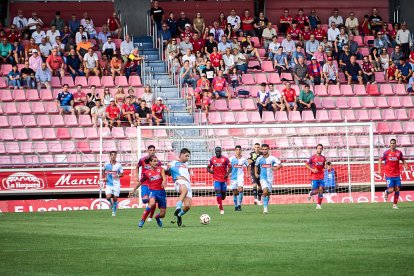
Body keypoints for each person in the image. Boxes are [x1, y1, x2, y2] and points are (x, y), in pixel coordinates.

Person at [129, 145, 162, 222]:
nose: (152, 151)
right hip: (144, 182)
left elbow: (160, 172)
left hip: (153, 184)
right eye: (150, 150)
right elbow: (137, 166)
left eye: (153, 150)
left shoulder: (158, 162)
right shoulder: (142, 160)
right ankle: (150, 212)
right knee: (145, 200)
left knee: (152, 202)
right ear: (147, 151)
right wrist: (137, 176)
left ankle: (150, 217)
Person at [133, 156, 166, 228]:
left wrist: (164, 182)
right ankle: (142, 220)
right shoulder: (146, 173)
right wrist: (134, 190)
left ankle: (157, 217)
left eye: (157, 161)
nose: (156, 163)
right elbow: (140, 182)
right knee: (151, 203)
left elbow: (164, 177)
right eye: (154, 161)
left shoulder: (161, 169)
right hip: (153, 192)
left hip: (162, 192)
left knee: (162, 214)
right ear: (150, 162)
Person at [378, 139, 408, 209]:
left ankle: (394, 205)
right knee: (391, 190)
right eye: (391, 143)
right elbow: (380, 160)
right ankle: (386, 191)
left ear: (395, 144)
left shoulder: (399, 153)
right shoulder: (386, 153)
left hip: (397, 174)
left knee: (397, 189)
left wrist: (406, 166)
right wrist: (379, 170)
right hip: (389, 175)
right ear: (389, 144)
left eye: (394, 143)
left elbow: (403, 160)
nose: (392, 144)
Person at [167, 148, 192, 227]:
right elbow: (167, 172)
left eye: (188, 156)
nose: (187, 158)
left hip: (188, 184)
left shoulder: (186, 164)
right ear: (181, 155)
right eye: (186, 156)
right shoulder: (174, 163)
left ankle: (179, 215)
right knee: (184, 191)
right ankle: (178, 208)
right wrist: (168, 169)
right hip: (179, 181)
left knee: (187, 206)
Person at [255, 144, 283, 214]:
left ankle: (266, 205)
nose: (264, 151)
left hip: (270, 178)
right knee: (265, 191)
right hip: (262, 178)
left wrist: (275, 168)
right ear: (261, 150)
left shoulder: (272, 158)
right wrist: (256, 173)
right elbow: (256, 166)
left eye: (266, 149)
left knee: (268, 193)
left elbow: (281, 165)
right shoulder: (259, 159)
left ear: (268, 149)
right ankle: (265, 209)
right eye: (263, 149)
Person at [207, 147, 231, 214]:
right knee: (218, 191)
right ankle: (221, 208)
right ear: (215, 152)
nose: (218, 153)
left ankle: (220, 200)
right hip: (216, 179)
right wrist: (211, 171)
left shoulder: (225, 159)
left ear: (221, 151)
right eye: (216, 152)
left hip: (224, 180)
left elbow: (230, 167)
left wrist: (227, 174)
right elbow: (208, 167)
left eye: (219, 151)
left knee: (223, 197)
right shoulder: (212, 160)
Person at [102, 151, 124, 216]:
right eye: (112, 155)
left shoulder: (119, 165)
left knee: (115, 198)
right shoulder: (106, 164)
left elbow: (122, 174)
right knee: (108, 197)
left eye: (115, 155)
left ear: (116, 156)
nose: (113, 156)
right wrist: (105, 177)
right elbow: (103, 171)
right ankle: (111, 203)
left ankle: (114, 211)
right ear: (110, 156)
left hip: (116, 184)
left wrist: (117, 175)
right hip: (109, 183)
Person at [306, 144, 326, 209]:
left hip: (321, 177)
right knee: (316, 190)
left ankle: (318, 205)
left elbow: (323, 166)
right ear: (316, 149)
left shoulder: (323, 158)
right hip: (314, 177)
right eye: (318, 148)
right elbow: (306, 164)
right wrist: (312, 169)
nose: (319, 149)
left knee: (321, 190)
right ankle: (311, 193)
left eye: (320, 148)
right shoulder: (312, 157)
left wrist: (325, 168)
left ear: (322, 149)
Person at [229, 145, 249, 211]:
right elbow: (227, 166)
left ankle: (239, 205)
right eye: (237, 149)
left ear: (241, 151)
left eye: (239, 149)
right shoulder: (231, 159)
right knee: (235, 192)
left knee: (240, 190)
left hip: (240, 177)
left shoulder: (243, 159)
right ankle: (235, 206)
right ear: (235, 151)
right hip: (233, 177)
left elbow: (248, 165)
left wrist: (248, 173)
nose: (238, 151)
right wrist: (228, 173)